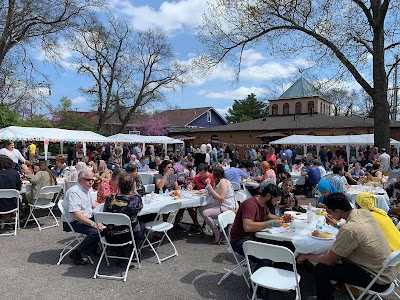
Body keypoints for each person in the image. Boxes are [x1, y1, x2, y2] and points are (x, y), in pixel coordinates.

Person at [297, 193, 396, 300]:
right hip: (387, 273)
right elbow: (356, 233)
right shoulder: (363, 213)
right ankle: (332, 289)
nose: (328, 214)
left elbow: (329, 260)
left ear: (338, 211)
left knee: (321, 270)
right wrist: (336, 225)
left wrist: (306, 256)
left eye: (329, 211)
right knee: (338, 257)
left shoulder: (349, 230)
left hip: (376, 280)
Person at [230, 184, 290, 298]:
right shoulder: (250, 204)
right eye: (276, 201)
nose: (277, 204)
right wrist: (271, 223)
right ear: (268, 196)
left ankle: (273, 280)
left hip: (254, 237)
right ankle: (255, 290)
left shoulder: (262, 202)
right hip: (240, 241)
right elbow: (247, 226)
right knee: (265, 259)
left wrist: (282, 219)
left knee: (281, 247)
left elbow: (268, 215)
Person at [62, 170, 104, 265]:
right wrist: (93, 224)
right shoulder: (74, 192)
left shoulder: (86, 189)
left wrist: (107, 209)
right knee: (96, 232)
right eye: (88, 180)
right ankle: (76, 253)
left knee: (109, 225)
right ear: (80, 180)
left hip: (86, 218)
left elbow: (93, 204)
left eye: (92, 180)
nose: (91, 182)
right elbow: (76, 214)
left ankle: (92, 249)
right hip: (74, 221)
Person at [103, 174, 145, 247]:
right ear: (132, 186)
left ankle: (118, 250)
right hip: (129, 235)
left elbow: (105, 211)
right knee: (142, 224)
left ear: (119, 186)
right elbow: (140, 208)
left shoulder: (110, 198)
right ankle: (134, 250)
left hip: (110, 235)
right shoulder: (136, 199)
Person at [200, 166, 237, 244]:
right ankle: (215, 229)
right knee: (201, 209)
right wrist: (208, 186)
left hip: (228, 206)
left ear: (215, 174)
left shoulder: (223, 182)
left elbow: (221, 198)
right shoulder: (218, 181)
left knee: (205, 213)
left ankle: (217, 234)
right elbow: (213, 192)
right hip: (222, 204)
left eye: (212, 172)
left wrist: (210, 188)